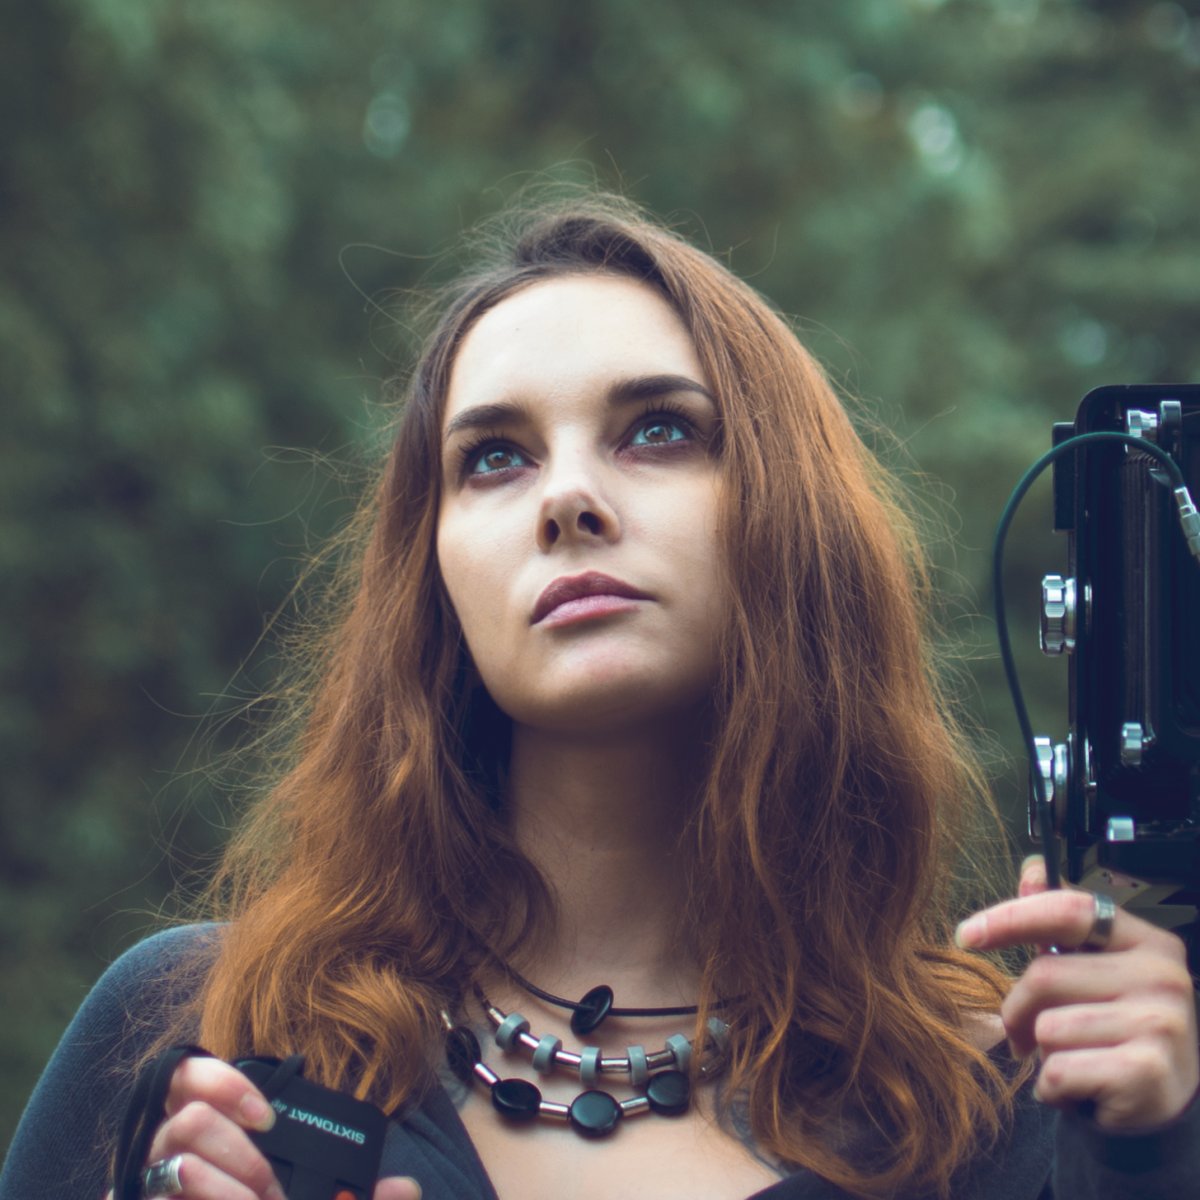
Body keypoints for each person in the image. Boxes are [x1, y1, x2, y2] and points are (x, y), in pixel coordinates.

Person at [3, 195, 1198, 1200]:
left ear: (792, 523)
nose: (566, 498)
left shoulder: (993, 1097)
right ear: (433, 570)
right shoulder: (195, 1036)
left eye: (658, 430)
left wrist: (1156, 1153)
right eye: (495, 457)